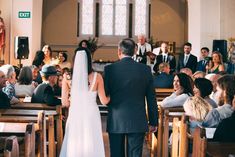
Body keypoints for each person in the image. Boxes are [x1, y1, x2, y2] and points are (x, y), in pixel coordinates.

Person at [104, 38, 158, 157]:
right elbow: (151, 97)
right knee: (135, 154)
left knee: (116, 154)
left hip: (116, 119)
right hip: (137, 118)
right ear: (135, 51)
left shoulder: (109, 69)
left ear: (119, 51)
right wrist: (153, 121)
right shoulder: (145, 69)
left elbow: (105, 94)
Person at [60, 48, 110, 157]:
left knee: (75, 140)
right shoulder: (97, 77)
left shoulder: (67, 77)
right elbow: (104, 101)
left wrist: (73, 99)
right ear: (89, 60)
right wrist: (112, 96)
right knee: (91, 140)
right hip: (91, 113)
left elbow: (65, 103)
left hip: (75, 112)